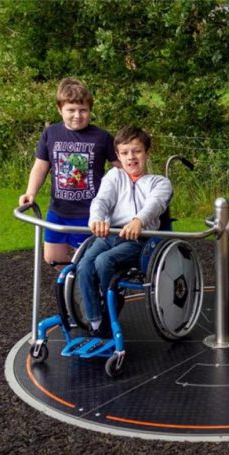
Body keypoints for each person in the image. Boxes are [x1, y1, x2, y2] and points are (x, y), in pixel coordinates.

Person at [77, 126, 172, 337]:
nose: (131, 157)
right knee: (83, 265)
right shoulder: (115, 176)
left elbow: (155, 204)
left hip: (138, 239)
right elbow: (102, 200)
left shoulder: (160, 182)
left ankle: (113, 298)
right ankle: (95, 320)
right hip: (110, 234)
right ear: (118, 155)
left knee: (103, 262)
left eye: (137, 151)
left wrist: (139, 221)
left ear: (147, 153)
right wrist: (97, 219)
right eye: (125, 152)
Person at [18, 77, 119, 267]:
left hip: (89, 213)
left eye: (83, 110)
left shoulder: (101, 137)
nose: (77, 115)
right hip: (59, 211)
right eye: (71, 110)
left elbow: (121, 169)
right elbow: (40, 166)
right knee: (54, 260)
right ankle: (73, 292)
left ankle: (89, 294)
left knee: (88, 263)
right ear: (60, 109)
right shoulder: (51, 134)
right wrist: (30, 192)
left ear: (90, 110)